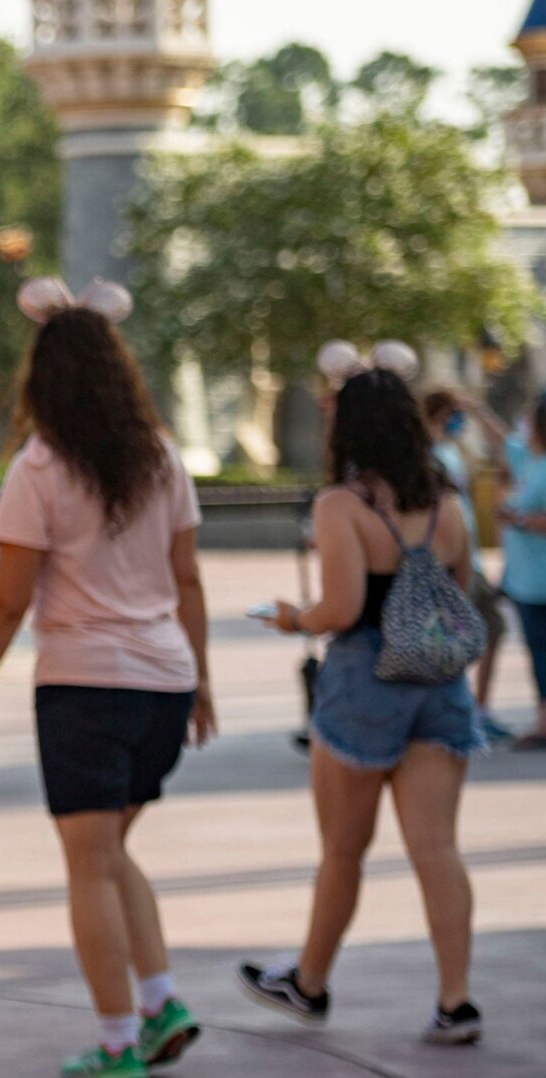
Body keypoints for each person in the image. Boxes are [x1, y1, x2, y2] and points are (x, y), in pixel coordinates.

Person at [0, 278, 213, 1078]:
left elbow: (7, 601)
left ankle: (120, 1042)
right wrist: (203, 683)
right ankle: (161, 1003)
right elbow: (187, 580)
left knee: (89, 865)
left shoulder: (41, 465)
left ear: (41, 377)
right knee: (111, 852)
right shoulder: (162, 457)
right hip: (164, 680)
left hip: (85, 685)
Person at [244, 341, 485, 1045]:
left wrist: (291, 618)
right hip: (437, 684)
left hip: (362, 687)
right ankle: (456, 1001)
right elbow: (460, 593)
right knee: (436, 849)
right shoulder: (447, 503)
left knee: (344, 850)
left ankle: (309, 983)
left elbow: (342, 609)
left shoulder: (341, 507)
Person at [421, 388, 512, 741]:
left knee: (491, 629)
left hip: (468, 557)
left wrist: (479, 410)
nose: (460, 419)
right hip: (447, 561)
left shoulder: (452, 448)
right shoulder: (424, 453)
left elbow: (508, 449)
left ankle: (477, 707)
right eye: (454, 412)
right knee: (456, 636)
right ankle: (456, 707)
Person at [495, 392, 546, 750]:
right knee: (538, 652)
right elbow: (501, 441)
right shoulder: (529, 459)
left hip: (540, 578)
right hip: (526, 579)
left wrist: (522, 519)